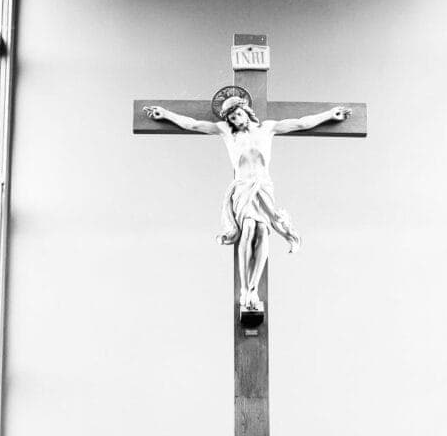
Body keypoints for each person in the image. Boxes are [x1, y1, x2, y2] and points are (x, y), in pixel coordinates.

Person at [145, 91, 350, 315]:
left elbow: (301, 123)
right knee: (249, 227)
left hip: (263, 186)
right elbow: (193, 125)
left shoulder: (268, 128)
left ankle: (254, 288)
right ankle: (245, 289)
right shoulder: (226, 131)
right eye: (231, 118)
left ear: (246, 111)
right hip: (243, 187)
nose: (235, 120)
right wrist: (165, 114)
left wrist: (330, 114)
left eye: (238, 114)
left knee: (263, 230)